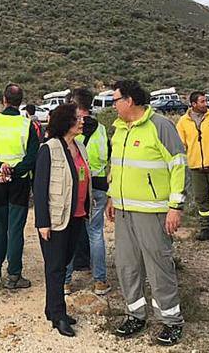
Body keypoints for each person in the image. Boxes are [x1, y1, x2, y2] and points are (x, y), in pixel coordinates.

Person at [106, 80, 186, 346]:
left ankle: (171, 321)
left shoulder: (160, 126)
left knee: (158, 266)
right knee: (127, 265)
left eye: (115, 99)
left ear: (129, 101)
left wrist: (176, 206)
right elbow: (116, 167)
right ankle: (135, 315)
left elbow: (178, 166)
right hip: (124, 210)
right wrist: (110, 197)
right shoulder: (118, 130)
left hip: (152, 212)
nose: (113, 104)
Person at [34, 103, 90, 337]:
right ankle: (58, 315)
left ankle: (51, 308)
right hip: (56, 218)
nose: (82, 121)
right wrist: (42, 222)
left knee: (64, 261)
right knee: (55, 267)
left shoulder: (80, 146)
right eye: (77, 118)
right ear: (66, 122)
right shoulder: (49, 148)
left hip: (77, 215)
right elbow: (40, 187)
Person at [0, 84, 39, 289]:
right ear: (21, 101)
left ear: (4, 99)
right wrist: (14, 170)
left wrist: (0, 167)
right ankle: (14, 275)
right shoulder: (26, 124)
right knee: (15, 228)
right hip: (19, 180)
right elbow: (32, 156)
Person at [64, 88, 111, 296]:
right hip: (99, 185)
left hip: (77, 186)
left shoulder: (72, 128)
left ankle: (65, 282)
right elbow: (107, 155)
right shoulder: (101, 128)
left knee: (69, 232)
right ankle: (100, 281)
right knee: (96, 232)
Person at [176, 91, 209, 242]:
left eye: (206, 101)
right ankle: (206, 228)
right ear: (193, 104)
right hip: (195, 166)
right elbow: (181, 142)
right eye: (202, 101)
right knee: (201, 198)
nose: (206, 104)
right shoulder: (183, 121)